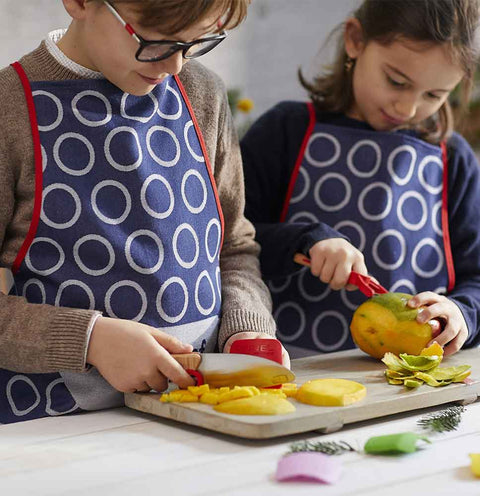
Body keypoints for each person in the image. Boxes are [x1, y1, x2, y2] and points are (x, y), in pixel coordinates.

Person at [0, 0, 286, 424]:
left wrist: (247, 324)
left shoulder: (203, 95)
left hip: (201, 414)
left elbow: (234, 246)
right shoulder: (10, 110)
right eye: (155, 42)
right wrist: (91, 339)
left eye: (194, 44)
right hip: (55, 425)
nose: (173, 66)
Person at [241, 0, 480, 359]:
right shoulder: (284, 132)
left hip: (408, 386)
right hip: (289, 369)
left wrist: (461, 313)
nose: (408, 109)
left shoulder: (455, 160)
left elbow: (476, 278)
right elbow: (227, 241)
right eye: (396, 81)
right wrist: (304, 240)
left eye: (434, 95)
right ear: (355, 40)